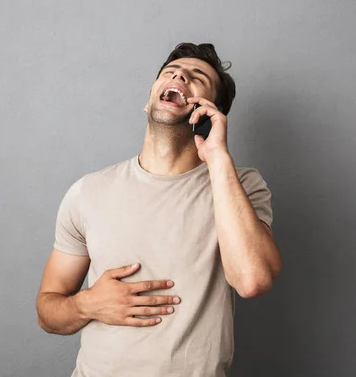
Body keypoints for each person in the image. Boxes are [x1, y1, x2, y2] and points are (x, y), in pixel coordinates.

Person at [36, 42, 282, 377]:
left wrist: (218, 157)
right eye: (171, 72)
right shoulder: (87, 191)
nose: (180, 74)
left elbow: (253, 280)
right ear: (150, 98)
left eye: (197, 77)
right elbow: (47, 311)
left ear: (211, 111)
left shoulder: (240, 185)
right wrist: (87, 303)